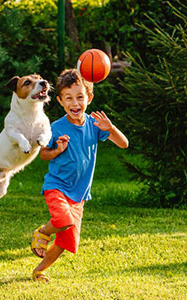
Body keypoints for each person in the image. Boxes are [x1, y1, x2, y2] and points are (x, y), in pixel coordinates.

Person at [30, 69, 129, 282]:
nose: (75, 103)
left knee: (66, 242)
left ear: (89, 98)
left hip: (79, 194)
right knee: (62, 220)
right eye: (69, 98)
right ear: (60, 101)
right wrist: (56, 150)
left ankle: (39, 270)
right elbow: (43, 154)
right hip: (57, 186)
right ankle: (42, 232)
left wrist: (110, 128)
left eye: (80, 97)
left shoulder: (95, 125)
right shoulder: (55, 127)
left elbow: (124, 143)